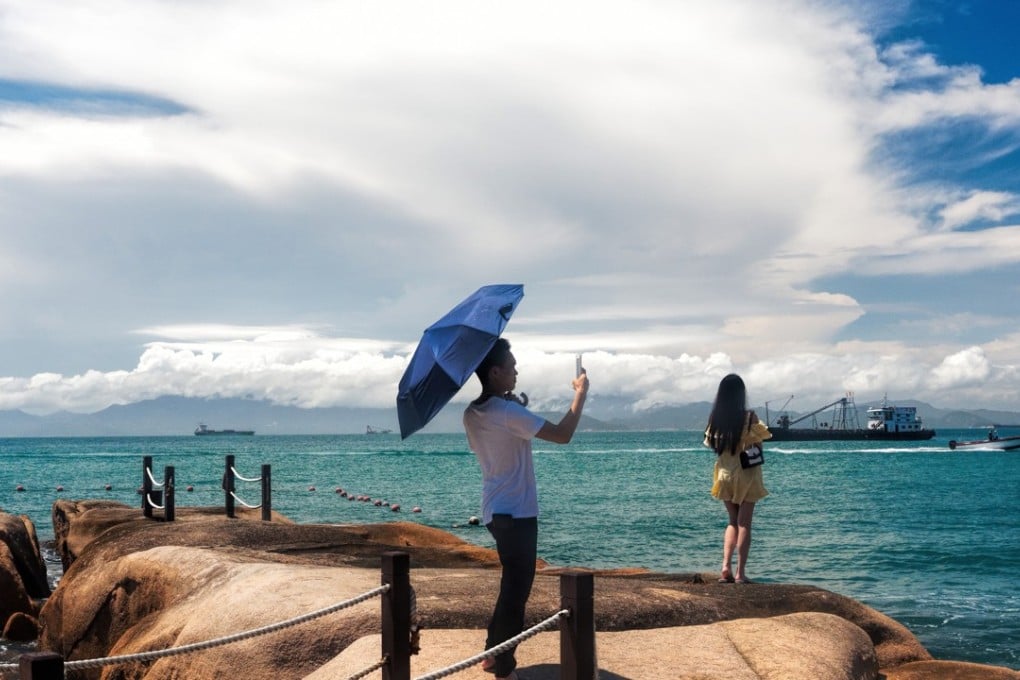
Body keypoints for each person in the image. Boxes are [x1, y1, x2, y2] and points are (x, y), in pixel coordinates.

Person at [463, 338, 589, 680]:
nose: (516, 371)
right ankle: (502, 667)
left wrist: (509, 403)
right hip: (518, 512)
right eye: (512, 366)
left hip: (494, 509)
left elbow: (499, 435)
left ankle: (492, 653)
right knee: (516, 594)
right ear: (495, 372)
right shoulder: (508, 412)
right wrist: (580, 393)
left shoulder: (473, 413)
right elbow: (563, 434)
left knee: (511, 587)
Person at [703, 373, 771, 584]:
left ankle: (725, 567)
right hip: (746, 475)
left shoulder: (715, 419)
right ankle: (740, 573)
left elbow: (713, 446)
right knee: (744, 524)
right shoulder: (750, 417)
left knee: (732, 522)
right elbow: (759, 445)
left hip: (724, 474)